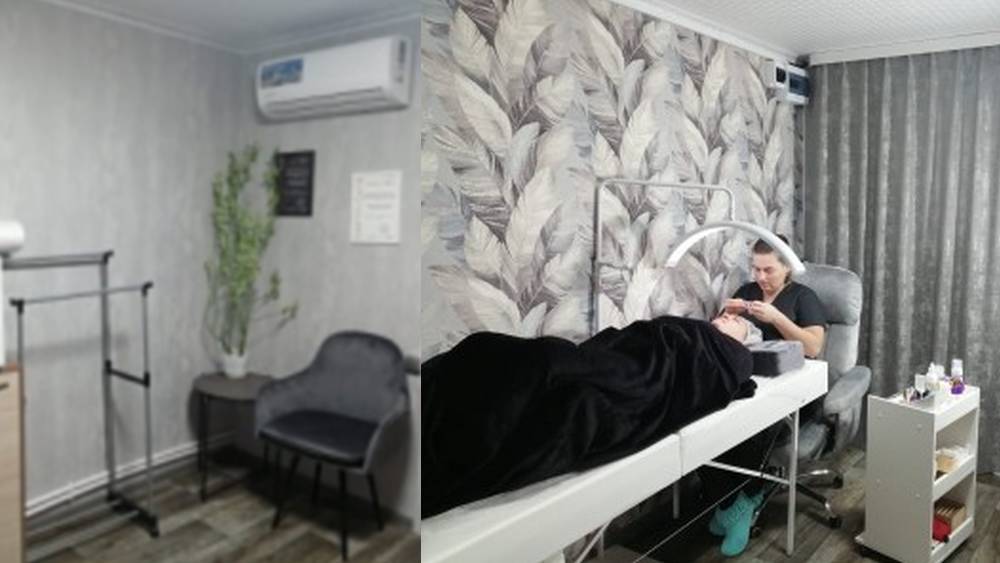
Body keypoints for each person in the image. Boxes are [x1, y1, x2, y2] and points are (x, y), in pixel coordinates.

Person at [701, 235, 827, 557]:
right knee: (708, 428)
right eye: (755, 269)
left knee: (749, 430)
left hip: (795, 392)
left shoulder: (803, 297)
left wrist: (777, 318)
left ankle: (742, 503)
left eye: (768, 270)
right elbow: (723, 335)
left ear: (787, 268)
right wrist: (726, 311)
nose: (760, 277)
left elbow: (813, 347)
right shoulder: (747, 292)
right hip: (750, 382)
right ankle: (731, 503)